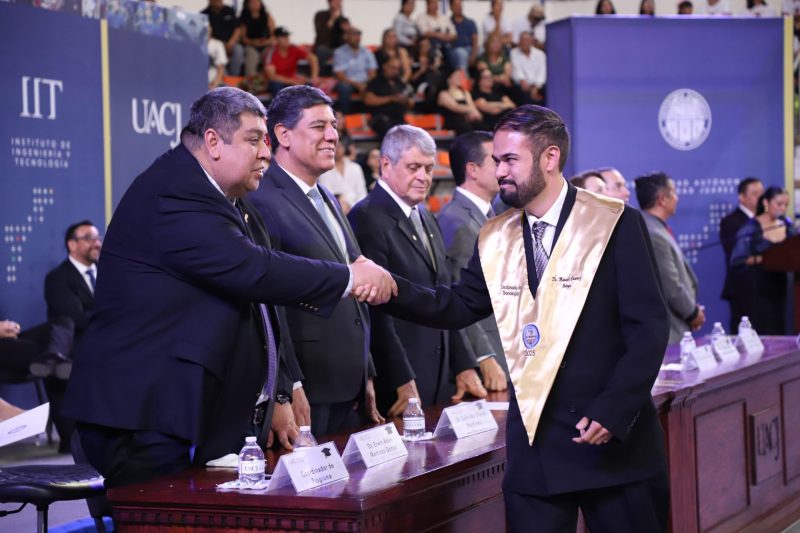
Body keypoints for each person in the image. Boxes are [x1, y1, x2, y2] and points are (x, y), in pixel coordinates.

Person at [63, 87, 396, 488]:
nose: (266, 153)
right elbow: (254, 270)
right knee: (156, 515)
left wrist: (276, 391)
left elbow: (257, 297)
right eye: (254, 140)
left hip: (178, 413)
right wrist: (348, 277)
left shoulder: (227, 198)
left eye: (266, 141)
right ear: (213, 142)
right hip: (138, 414)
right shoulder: (176, 191)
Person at [380, 105, 669, 532]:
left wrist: (614, 410)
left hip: (610, 441)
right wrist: (390, 288)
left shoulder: (613, 221)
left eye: (510, 160)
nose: (499, 171)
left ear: (550, 158)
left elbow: (648, 329)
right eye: (497, 160)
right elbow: (457, 305)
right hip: (536, 450)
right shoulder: (495, 235)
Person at [248, 85, 383, 438]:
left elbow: (354, 287)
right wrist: (287, 385)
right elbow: (268, 303)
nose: (332, 136)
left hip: (349, 388)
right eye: (319, 126)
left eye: (334, 126)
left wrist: (365, 371)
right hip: (306, 392)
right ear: (283, 135)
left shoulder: (327, 197)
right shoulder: (261, 199)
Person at [348, 125, 488, 417]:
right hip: (400, 383)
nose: (424, 177)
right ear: (386, 164)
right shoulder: (367, 217)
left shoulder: (425, 215)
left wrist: (464, 364)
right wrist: (400, 377)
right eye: (413, 167)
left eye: (429, 168)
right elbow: (374, 309)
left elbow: (445, 294)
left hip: (439, 376)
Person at [437, 131, 509, 391]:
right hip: (486, 362)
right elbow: (461, 298)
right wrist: (483, 356)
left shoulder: (490, 215)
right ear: (472, 170)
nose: (504, 169)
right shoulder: (457, 220)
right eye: (496, 161)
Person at [636, 172, 704, 343]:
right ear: (662, 199)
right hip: (668, 331)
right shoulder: (653, 234)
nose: (677, 198)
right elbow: (670, 286)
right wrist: (692, 313)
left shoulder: (654, 228)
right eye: (673, 192)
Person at [730, 186, 795, 335]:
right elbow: (737, 260)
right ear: (766, 202)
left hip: (781, 286)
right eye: (779, 204)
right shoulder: (751, 228)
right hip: (757, 287)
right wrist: (764, 258)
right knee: (762, 326)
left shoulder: (787, 226)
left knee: (780, 326)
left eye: (786, 205)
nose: (783, 209)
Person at [720, 177, 764, 332]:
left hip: (766, 289)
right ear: (742, 197)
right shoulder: (730, 221)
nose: (761, 197)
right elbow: (736, 256)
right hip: (742, 289)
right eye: (755, 193)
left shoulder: (768, 220)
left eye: (762, 193)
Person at [364, 56, 415, 141]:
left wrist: (405, 100)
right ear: (385, 66)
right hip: (380, 118)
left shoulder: (400, 83)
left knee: (410, 133)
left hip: (399, 119)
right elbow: (368, 100)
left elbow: (411, 102)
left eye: (397, 69)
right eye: (392, 68)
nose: (395, 71)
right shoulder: (376, 82)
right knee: (389, 130)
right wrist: (391, 98)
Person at [332, 26, 377, 114]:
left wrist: (367, 84)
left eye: (359, 34)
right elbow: (339, 74)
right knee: (344, 88)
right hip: (348, 82)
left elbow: (373, 72)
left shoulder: (367, 52)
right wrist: (357, 85)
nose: (357, 37)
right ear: (347, 36)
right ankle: (345, 116)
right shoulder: (339, 52)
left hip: (365, 82)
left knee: (377, 86)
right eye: (354, 34)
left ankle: (372, 116)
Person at [264, 27, 319, 96]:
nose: (286, 39)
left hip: (293, 80)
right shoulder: (271, 52)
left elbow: (313, 58)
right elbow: (272, 76)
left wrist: (313, 78)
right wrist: (293, 81)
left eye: (287, 36)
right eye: (283, 37)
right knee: (275, 84)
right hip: (280, 82)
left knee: (309, 86)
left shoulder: (293, 48)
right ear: (276, 39)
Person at [319, 140, 368, 213]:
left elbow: (362, 193)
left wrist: (355, 209)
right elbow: (326, 193)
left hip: (356, 209)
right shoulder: (324, 169)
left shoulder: (355, 167)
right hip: (334, 209)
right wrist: (340, 205)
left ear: (344, 148)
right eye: (333, 147)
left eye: (339, 146)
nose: (336, 149)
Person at [202, 0, 244, 76]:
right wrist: (220, 44)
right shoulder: (204, 14)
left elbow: (237, 28)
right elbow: (207, 33)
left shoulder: (229, 10)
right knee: (217, 50)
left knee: (238, 49)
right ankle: (224, 76)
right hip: (216, 43)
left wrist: (232, 41)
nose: (220, 1)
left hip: (230, 42)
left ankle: (234, 76)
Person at [437, 68, 483, 135]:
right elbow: (455, 107)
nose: (459, 78)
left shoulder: (465, 93)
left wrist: (475, 114)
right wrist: (471, 109)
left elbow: (473, 108)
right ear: (448, 79)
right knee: (466, 128)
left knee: (481, 126)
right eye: (456, 76)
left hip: (467, 121)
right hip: (453, 123)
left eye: (460, 76)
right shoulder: (443, 94)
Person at [510, 31, 546, 105]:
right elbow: (516, 70)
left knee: (547, 91)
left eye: (526, 40)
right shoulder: (513, 53)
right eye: (522, 40)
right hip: (522, 84)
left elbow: (542, 72)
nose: (524, 43)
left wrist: (536, 87)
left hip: (538, 85)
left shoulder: (540, 54)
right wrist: (522, 80)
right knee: (522, 93)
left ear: (531, 41)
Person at [239, 0, 274, 76]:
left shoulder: (267, 16)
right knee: (251, 55)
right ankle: (250, 80)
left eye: (257, 2)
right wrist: (253, 42)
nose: (255, 4)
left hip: (266, 45)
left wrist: (266, 42)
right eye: (253, 2)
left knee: (269, 54)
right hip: (251, 46)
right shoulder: (244, 18)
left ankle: (269, 78)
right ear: (247, 5)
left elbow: (274, 35)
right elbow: (243, 38)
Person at [449, 0, 479, 70]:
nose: (459, 7)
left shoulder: (470, 22)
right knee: (462, 53)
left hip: (470, 48)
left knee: (483, 50)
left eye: (460, 5)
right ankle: (464, 75)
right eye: (456, 5)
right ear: (451, 7)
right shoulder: (448, 22)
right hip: (456, 50)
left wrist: (473, 55)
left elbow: (475, 40)